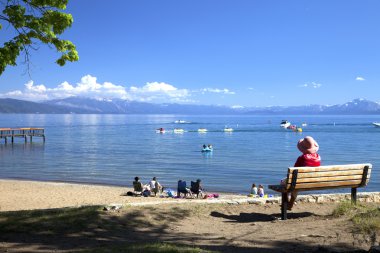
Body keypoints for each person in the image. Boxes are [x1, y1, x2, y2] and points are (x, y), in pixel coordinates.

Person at [288, 136, 321, 210]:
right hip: (316, 181)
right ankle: (290, 204)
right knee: (295, 183)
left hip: (301, 182)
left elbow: (294, 171)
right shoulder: (318, 157)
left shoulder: (301, 158)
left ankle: (288, 203)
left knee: (289, 183)